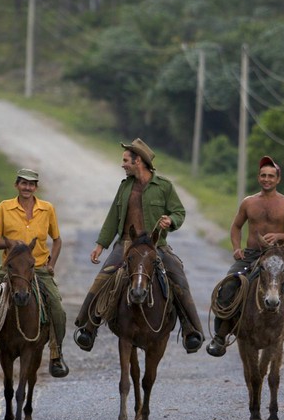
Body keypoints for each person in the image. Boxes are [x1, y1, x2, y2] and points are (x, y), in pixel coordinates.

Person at [73, 138, 204, 353]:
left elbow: (178, 212)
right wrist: (100, 245)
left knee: (178, 277)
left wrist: (170, 221)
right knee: (103, 278)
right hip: (126, 244)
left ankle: (191, 330)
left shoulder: (164, 187)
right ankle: (88, 328)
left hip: (155, 246)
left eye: (126, 160)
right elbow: (112, 218)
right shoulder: (125, 187)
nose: (123, 164)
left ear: (139, 161)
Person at [0, 167, 70, 378]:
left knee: (57, 308)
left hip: (37, 269)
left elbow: (57, 240)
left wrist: (51, 265)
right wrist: (9, 242)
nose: (27, 187)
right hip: (10, 270)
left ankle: (56, 354)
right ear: (17, 185)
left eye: (31, 184)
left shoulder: (47, 209)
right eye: (23, 183)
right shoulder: (4, 207)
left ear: (36, 187)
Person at [206, 155, 284, 357]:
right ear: (258, 178)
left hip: (277, 257)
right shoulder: (249, 202)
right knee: (227, 287)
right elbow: (236, 227)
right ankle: (219, 337)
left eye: (271, 176)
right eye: (263, 176)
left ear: (278, 179)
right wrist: (236, 247)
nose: (267, 179)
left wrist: (280, 236)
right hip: (251, 255)